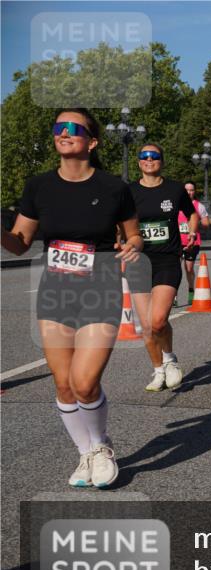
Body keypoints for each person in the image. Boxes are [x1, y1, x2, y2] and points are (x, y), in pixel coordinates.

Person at [1, 108, 141, 488]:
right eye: (58, 127)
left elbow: (133, 234)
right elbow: (19, 243)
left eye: (73, 128)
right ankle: (86, 453)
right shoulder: (39, 186)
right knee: (63, 384)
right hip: (55, 292)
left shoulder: (113, 187)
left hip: (99, 290)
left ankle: (100, 447)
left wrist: (131, 246)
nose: (63, 133)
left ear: (91, 141)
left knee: (84, 381)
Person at [129, 143, 198, 392]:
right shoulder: (129, 192)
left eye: (154, 156)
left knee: (158, 321)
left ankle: (170, 359)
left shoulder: (174, 189)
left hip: (167, 259)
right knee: (146, 325)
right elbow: (118, 223)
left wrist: (192, 231)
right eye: (144, 156)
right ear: (139, 162)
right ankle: (158, 370)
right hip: (138, 262)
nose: (149, 160)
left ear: (162, 161)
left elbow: (192, 214)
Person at [179, 182, 207, 305]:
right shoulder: (176, 204)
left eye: (191, 190)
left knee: (189, 268)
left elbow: (206, 224)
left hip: (192, 242)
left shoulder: (199, 206)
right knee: (174, 269)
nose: (189, 192)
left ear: (194, 192)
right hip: (176, 241)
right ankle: (173, 295)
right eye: (187, 190)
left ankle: (191, 289)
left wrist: (195, 223)